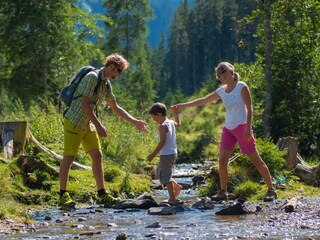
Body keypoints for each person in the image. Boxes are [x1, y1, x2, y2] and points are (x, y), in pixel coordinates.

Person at [172, 62, 277, 202]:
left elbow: (250, 108)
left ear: (231, 72)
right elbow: (204, 100)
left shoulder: (242, 87)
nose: (222, 75)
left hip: (242, 127)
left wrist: (248, 129)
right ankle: (223, 191)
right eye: (219, 73)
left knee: (255, 159)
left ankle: (271, 189)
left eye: (224, 71)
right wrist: (183, 106)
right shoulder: (221, 91)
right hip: (228, 129)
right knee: (222, 160)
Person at [59, 53, 148, 209]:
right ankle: (62, 195)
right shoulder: (92, 78)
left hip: (88, 124)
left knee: (97, 156)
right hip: (74, 121)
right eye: (119, 70)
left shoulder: (106, 84)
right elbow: (85, 105)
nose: (120, 74)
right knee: (69, 158)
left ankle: (102, 194)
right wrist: (99, 126)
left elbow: (115, 108)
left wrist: (135, 121)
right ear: (111, 66)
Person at [147, 103, 183, 205]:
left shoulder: (162, 126)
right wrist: (175, 113)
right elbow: (178, 124)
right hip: (172, 153)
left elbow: (162, 142)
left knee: (165, 176)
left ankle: (172, 198)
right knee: (159, 172)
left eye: (153, 117)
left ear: (158, 114)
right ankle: (177, 187)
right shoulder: (170, 122)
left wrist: (152, 155)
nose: (153, 119)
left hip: (167, 154)